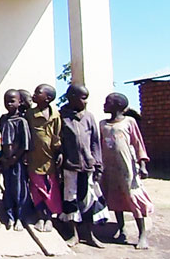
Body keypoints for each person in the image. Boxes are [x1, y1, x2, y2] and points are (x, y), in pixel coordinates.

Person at [100, 92, 154, 250]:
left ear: (117, 106)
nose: (104, 105)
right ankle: (121, 228)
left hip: (127, 169)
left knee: (133, 198)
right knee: (114, 198)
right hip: (109, 168)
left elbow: (138, 144)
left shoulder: (129, 122)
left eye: (107, 102)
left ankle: (142, 234)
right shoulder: (102, 124)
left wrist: (142, 165)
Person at [59, 84, 108, 248]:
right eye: (83, 97)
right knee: (70, 199)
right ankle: (74, 234)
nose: (85, 102)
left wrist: (97, 164)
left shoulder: (89, 117)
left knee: (88, 201)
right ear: (71, 97)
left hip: (87, 166)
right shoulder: (62, 116)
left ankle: (90, 234)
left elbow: (95, 142)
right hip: (69, 166)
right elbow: (58, 140)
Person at [26, 84, 62, 232]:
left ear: (48, 98)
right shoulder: (30, 114)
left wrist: (59, 153)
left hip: (50, 159)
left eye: (38, 93)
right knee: (36, 189)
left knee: (50, 189)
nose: (34, 95)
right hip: (35, 159)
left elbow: (57, 136)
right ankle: (40, 216)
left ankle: (49, 217)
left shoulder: (56, 115)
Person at [0, 89, 30, 231]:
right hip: (5, 161)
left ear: (20, 102)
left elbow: (25, 145)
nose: (9, 104)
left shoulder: (21, 121)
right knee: (8, 188)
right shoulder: (3, 119)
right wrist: (4, 159)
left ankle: (20, 217)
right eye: (6, 101)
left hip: (16, 161)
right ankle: (10, 216)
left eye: (12, 101)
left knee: (19, 189)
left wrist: (14, 158)